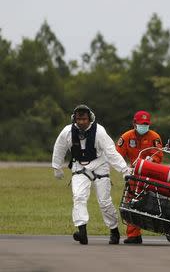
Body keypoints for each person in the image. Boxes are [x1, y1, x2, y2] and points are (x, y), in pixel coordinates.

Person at [52, 104, 131, 245]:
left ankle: (114, 231)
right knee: (79, 197)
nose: (81, 122)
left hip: (100, 165)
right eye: (78, 119)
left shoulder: (99, 132)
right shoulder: (67, 132)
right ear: (74, 119)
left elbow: (111, 152)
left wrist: (124, 170)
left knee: (104, 202)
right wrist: (56, 167)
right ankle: (82, 232)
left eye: (84, 119)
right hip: (79, 166)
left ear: (90, 119)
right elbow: (59, 148)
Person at [116, 110, 164, 244]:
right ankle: (133, 235)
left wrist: (151, 160)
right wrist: (125, 169)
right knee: (131, 201)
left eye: (146, 124)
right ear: (134, 123)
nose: (144, 126)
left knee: (149, 201)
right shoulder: (126, 137)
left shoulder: (154, 136)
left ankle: (158, 226)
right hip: (133, 173)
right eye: (141, 124)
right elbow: (117, 155)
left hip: (151, 172)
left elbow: (159, 154)